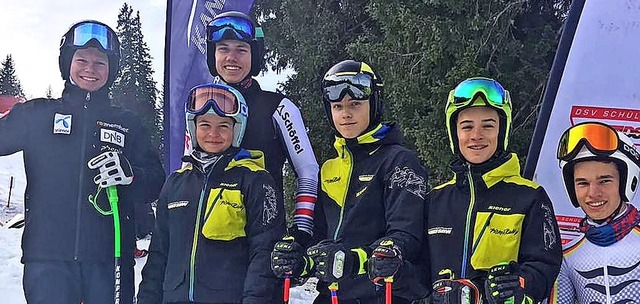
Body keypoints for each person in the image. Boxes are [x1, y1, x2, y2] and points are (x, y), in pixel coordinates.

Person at [0, 20, 165, 303]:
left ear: (111, 69)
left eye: (100, 63)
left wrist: (131, 175)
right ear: (67, 63)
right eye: (82, 60)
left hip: (109, 261)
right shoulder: (37, 114)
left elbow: (156, 182)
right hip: (48, 261)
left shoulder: (127, 123)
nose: (91, 69)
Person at [372, 77, 562, 304]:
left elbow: (544, 265)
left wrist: (518, 285)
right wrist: (397, 271)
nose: (476, 136)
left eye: (488, 126)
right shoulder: (436, 200)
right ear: (455, 134)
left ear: (502, 131)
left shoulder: (529, 197)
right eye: (467, 126)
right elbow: (422, 275)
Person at [271, 60, 428, 303]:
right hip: (332, 295)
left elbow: (406, 236)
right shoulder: (330, 168)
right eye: (337, 106)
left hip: (382, 294)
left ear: (373, 103)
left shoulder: (399, 161)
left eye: (355, 104)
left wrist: (354, 260)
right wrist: (300, 259)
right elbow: (320, 238)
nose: (346, 114)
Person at [137, 83, 285, 304]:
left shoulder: (255, 180)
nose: (213, 134)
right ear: (193, 127)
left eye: (223, 126)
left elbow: (263, 253)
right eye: (205, 124)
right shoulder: (176, 183)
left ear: (237, 129)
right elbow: (159, 255)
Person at [206, 11, 319, 245]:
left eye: (241, 50)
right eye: (223, 49)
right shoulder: (200, 106)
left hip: (263, 243)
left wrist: (301, 230)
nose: (231, 58)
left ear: (254, 56)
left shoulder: (279, 107)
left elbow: (308, 170)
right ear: (213, 55)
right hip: (210, 246)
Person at [550, 121, 640, 303]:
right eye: (582, 183)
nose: (592, 193)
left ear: (626, 182)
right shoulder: (568, 256)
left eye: (604, 181)